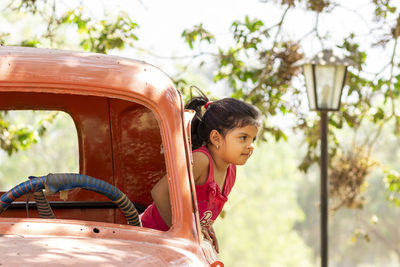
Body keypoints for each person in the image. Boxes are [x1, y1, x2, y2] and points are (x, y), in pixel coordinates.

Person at [140, 94, 261, 253]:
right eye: (243, 137)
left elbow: (203, 210)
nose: (251, 146)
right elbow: (160, 192)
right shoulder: (201, 160)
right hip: (147, 237)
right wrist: (188, 233)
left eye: (253, 139)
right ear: (216, 138)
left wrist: (205, 229)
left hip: (172, 247)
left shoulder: (231, 172)